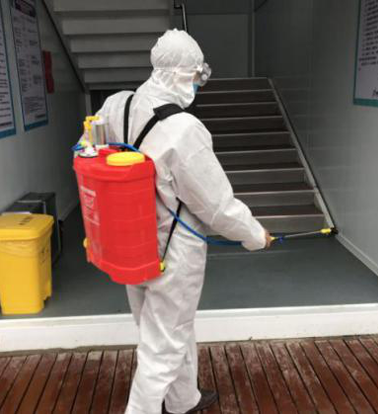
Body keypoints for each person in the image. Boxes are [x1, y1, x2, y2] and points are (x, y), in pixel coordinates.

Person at [96, 29, 272, 414]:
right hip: (172, 252)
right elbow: (217, 206)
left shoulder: (115, 105)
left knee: (170, 329)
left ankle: (183, 400)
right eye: (194, 76)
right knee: (162, 347)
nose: (195, 84)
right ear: (179, 74)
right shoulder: (183, 129)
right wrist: (255, 235)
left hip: (130, 240)